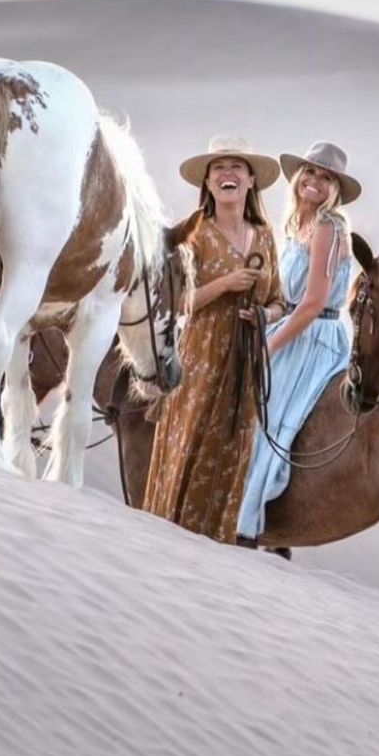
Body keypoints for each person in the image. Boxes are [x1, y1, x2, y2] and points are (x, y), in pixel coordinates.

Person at [143, 136, 285, 544]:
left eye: (237, 167)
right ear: (207, 182)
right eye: (219, 168)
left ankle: (214, 548)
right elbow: (177, 302)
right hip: (200, 360)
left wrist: (263, 315)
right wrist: (225, 284)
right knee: (186, 447)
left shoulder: (264, 236)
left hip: (243, 366)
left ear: (251, 180)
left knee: (231, 452)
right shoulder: (196, 234)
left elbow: (279, 302)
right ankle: (168, 540)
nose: (228, 174)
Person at [236, 142, 361, 543]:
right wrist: (264, 318)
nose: (315, 181)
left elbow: (313, 304)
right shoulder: (295, 226)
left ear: (335, 189)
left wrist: (269, 348)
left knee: (267, 417)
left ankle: (250, 518)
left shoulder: (328, 228)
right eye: (310, 172)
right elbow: (287, 300)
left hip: (314, 336)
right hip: (292, 325)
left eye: (326, 177)